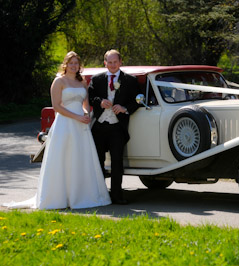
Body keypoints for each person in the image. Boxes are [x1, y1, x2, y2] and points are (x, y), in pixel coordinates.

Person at [3, 51, 112, 209]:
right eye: (71, 63)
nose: (74, 66)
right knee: (63, 158)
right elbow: (57, 106)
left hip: (81, 124)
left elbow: (85, 103)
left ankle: (81, 195)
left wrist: (87, 113)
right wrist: (76, 116)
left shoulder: (82, 82)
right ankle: (59, 197)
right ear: (65, 65)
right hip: (65, 123)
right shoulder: (59, 81)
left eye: (76, 63)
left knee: (81, 158)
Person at [89, 49, 141, 204]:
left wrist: (125, 108)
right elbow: (89, 97)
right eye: (109, 62)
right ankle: (98, 195)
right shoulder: (96, 79)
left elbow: (138, 100)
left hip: (117, 127)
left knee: (117, 162)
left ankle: (117, 196)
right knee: (97, 162)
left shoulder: (130, 80)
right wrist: (100, 102)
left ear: (120, 62)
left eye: (115, 62)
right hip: (98, 126)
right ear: (105, 63)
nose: (112, 65)